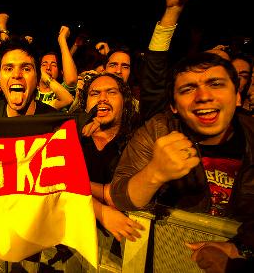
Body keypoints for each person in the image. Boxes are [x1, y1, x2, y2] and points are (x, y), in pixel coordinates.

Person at [109, 52, 254, 271]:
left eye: (216, 84)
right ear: (174, 106)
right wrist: (154, 173)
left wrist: (241, 248)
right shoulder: (159, 130)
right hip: (170, 255)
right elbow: (120, 196)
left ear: (237, 96)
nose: (203, 96)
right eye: (188, 89)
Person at [77, 73, 143, 243]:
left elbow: (126, 196)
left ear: (125, 102)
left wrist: (75, 183)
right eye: (95, 93)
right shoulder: (71, 138)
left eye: (111, 92)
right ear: (85, 104)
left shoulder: (138, 142)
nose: (102, 99)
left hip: (122, 245)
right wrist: (100, 211)